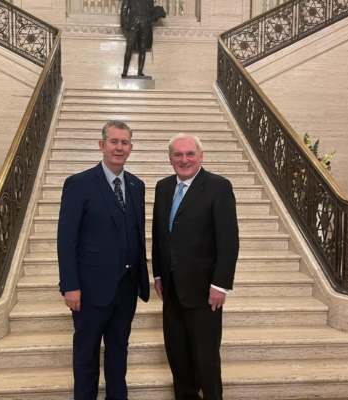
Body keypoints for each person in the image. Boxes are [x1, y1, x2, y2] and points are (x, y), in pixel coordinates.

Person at [57, 120, 150, 400]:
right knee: (86, 355)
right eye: (114, 142)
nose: (119, 148)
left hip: (126, 288)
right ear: (102, 145)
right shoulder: (79, 184)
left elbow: (136, 233)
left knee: (118, 352)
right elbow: (66, 239)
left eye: (124, 143)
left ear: (130, 148)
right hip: (90, 290)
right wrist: (70, 285)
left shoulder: (136, 185)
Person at [151, 133, 239, 400]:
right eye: (178, 155)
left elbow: (229, 240)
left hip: (204, 291)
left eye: (190, 154)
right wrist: (157, 273)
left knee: (206, 359)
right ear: (170, 159)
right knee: (178, 356)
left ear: (201, 156)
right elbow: (158, 234)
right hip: (172, 288)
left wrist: (220, 284)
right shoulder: (163, 187)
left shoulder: (218, 187)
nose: (184, 159)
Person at [120, 0, 154, 77]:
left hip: (145, 22)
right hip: (133, 22)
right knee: (129, 47)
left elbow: (151, 9)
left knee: (143, 48)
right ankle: (125, 71)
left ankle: (140, 71)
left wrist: (156, 14)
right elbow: (124, 8)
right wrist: (124, 22)